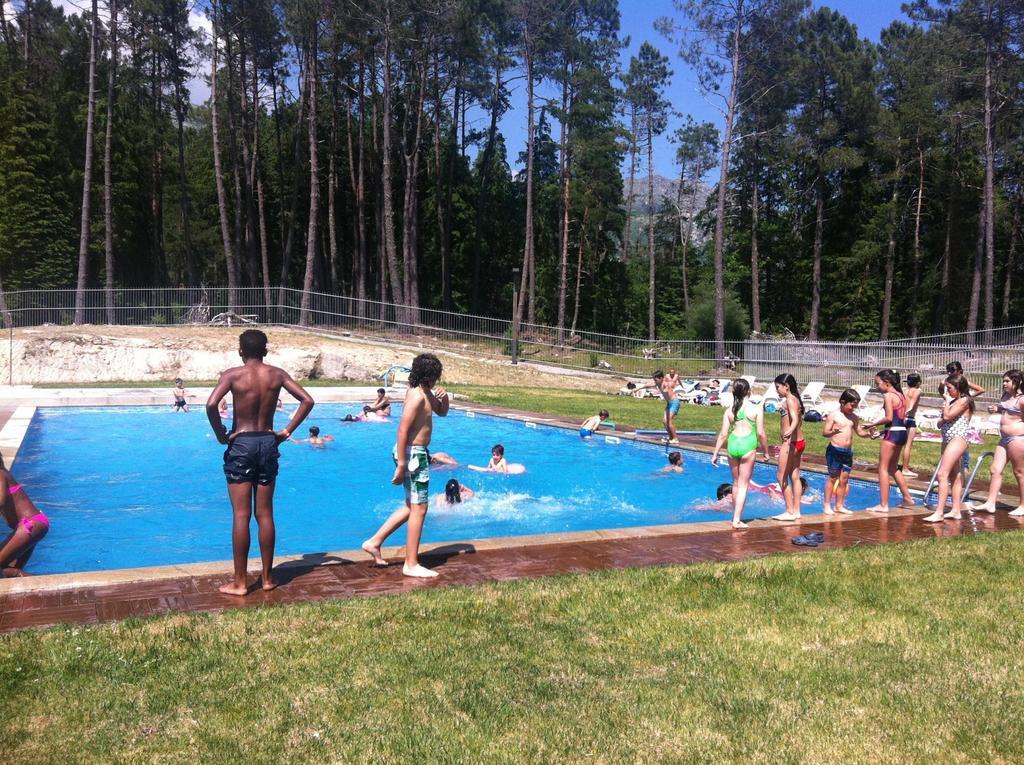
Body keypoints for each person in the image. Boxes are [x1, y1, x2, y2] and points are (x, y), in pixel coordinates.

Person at [206, 329, 314, 596]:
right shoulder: (276, 374)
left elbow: (210, 404)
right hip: (267, 442)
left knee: (241, 515)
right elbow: (307, 400)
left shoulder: (232, 375)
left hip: (241, 443)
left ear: (240, 350)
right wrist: (286, 432)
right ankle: (267, 579)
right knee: (265, 514)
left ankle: (241, 583)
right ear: (265, 350)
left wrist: (221, 434)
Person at [361, 353, 450, 578]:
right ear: (431, 375)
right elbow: (402, 429)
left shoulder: (424, 392)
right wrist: (401, 464)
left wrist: (445, 398)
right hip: (413, 455)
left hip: (415, 453)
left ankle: (374, 542)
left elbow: (442, 411)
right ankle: (411, 564)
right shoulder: (417, 396)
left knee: (412, 506)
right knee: (420, 508)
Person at [711, 378, 769, 529]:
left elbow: (723, 434)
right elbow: (761, 433)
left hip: (733, 444)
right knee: (743, 485)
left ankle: (735, 515)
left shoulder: (729, 410)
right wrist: (766, 451)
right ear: (749, 391)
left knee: (736, 484)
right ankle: (736, 520)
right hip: (747, 444)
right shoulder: (756, 409)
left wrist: (715, 453)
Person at [923, 374, 975, 523]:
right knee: (955, 476)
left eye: (949, 388)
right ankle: (956, 510)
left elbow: (947, 416)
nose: (947, 391)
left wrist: (946, 403)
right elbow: (942, 421)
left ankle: (939, 512)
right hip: (947, 439)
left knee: (942, 474)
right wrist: (945, 412)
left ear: (958, 387)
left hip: (958, 439)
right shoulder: (955, 401)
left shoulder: (964, 400)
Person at [971, 370, 1024, 513]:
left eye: (1007, 381)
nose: (1004, 384)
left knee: (1019, 472)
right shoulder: (1006, 396)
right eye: (1004, 381)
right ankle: (990, 503)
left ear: (1016, 381)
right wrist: (996, 408)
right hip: (1004, 439)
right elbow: (1005, 409)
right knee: (995, 470)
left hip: (1017, 439)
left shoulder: (1022, 400)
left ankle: (1023, 506)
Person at [863, 369, 915, 513]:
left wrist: (872, 424)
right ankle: (908, 499)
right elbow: (898, 421)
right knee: (893, 468)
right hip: (901, 433)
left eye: (877, 383)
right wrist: (882, 432)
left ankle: (883, 504)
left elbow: (889, 418)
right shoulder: (902, 396)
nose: (876, 386)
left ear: (887, 382)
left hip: (892, 434)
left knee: (883, 468)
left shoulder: (888, 395)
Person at [822, 389, 874, 514]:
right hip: (834, 450)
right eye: (851, 406)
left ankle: (839, 505)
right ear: (842, 402)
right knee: (833, 478)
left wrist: (869, 434)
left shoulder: (854, 418)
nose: (853, 409)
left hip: (847, 452)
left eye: (855, 407)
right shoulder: (834, 415)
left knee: (844, 479)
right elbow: (825, 433)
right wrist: (833, 432)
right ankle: (827, 505)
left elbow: (860, 432)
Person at [0, 455, 49, 577]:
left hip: (30, 525)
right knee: (8, 573)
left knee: (9, 570)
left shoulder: (0, 474)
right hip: (31, 526)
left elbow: (0, 501)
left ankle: (47, 588)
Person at [772, 373, 805, 521]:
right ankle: (796, 511)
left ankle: (789, 511)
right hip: (800, 442)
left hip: (790, 443)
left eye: (777, 387)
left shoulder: (790, 400)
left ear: (786, 386)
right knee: (795, 476)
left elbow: (795, 418)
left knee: (781, 477)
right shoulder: (796, 399)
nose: (776, 390)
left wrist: (788, 432)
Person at [638, 370, 682, 445]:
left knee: (667, 420)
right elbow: (647, 385)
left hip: (674, 403)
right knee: (664, 421)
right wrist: (636, 389)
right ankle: (671, 438)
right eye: (654, 379)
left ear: (661, 378)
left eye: (656, 379)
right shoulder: (658, 384)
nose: (655, 381)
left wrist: (664, 389)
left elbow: (667, 386)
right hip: (669, 404)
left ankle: (675, 439)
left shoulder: (665, 383)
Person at [899, 373, 923, 477]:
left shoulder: (903, 390)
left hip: (900, 419)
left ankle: (892, 465)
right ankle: (905, 469)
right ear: (918, 382)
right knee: (908, 445)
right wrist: (907, 412)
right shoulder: (917, 391)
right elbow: (912, 404)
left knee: (897, 444)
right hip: (909, 419)